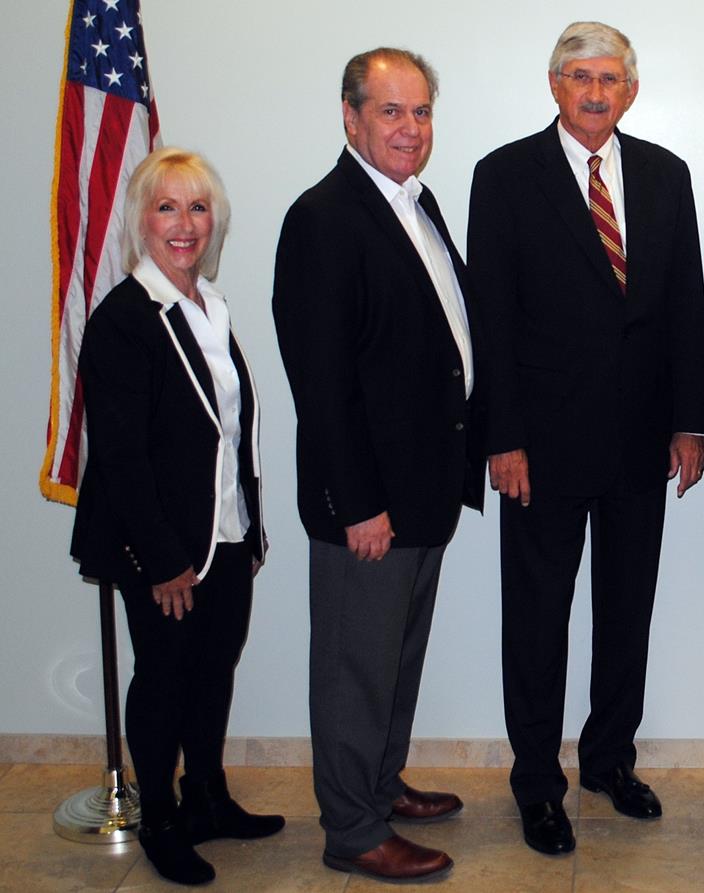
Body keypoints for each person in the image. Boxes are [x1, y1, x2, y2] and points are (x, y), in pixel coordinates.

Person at [468, 21, 704, 855]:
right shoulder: (502, 176)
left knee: (625, 612)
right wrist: (502, 437)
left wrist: (691, 420)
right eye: (580, 76)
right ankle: (538, 780)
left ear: (631, 90)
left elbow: (686, 302)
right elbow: (490, 318)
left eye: (611, 77)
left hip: (641, 441)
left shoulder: (664, 174)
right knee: (537, 618)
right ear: (554, 85)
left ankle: (609, 758)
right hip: (539, 446)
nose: (596, 91)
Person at [272, 47, 483, 883]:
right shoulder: (324, 217)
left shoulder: (413, 205)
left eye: (421, 111)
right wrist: (357, 502)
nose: (409, 127)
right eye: (391, 111)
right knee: (356, 668)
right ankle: (353, 827)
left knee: (396, 658)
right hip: (369, 504)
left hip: (423, 491)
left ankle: (380, 783)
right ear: (351, 116)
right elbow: (322, 385)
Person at [70, 147, 284, 885]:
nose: (184, 223)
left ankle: (209, 799)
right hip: (161, 545)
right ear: (141, 221)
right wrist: (164, 559)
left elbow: (227, 431)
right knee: (164, 675)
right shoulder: (126, 318)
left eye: (197, 208)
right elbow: (123, 456)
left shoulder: (208, 305)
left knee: (212, 669)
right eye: (168, 207)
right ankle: (159, 816)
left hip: (222, 533)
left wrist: (248, 527)